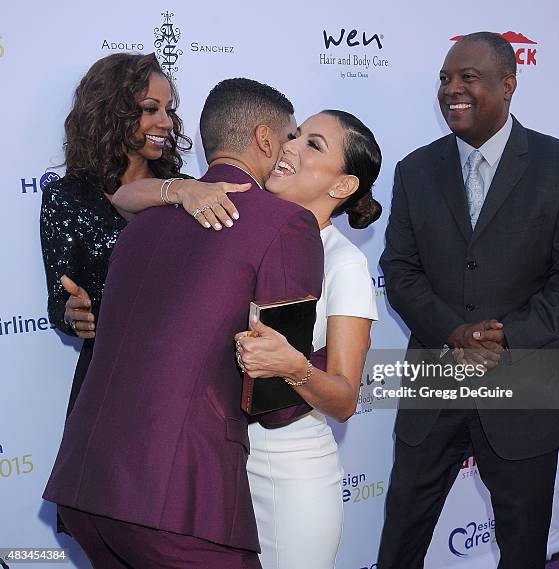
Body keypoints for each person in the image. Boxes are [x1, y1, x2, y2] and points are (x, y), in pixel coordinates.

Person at [43, 79, 323, 568]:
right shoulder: (285, 224)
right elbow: (276, 403)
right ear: (264, 139)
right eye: (290, 137)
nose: (292, 150)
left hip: (88, 486)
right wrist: (330, 365)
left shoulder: (141, 224)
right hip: (176, 501)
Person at [114, 108, 383, 569]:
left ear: (341, 187)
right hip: (217, 464)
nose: (290, 146)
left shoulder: (345, 264)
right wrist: (181, 189)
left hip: (289, 471)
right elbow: (123, 198)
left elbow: (343, 398)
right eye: (295, 135)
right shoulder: (237, 218)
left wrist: (294, 366)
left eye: (312, 145)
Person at [378, 32, 559, 569]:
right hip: (435, 376)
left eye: (467, 78)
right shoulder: (415, 169)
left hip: (524, 385)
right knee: (401, 539)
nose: (451, 89)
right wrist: (452, 332)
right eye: (444, 78)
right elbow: (399, 268)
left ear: (509, 85)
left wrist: (509, 336)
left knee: (523, 546)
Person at [40, 52, 245, 420]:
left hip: (181, 376)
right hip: (107, 377)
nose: (165, 122)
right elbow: (59, 298)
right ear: (111, 112)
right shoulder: (67, 196)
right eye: (151, 109)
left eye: (168, 110)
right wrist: (73, 315)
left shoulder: (188, 191)